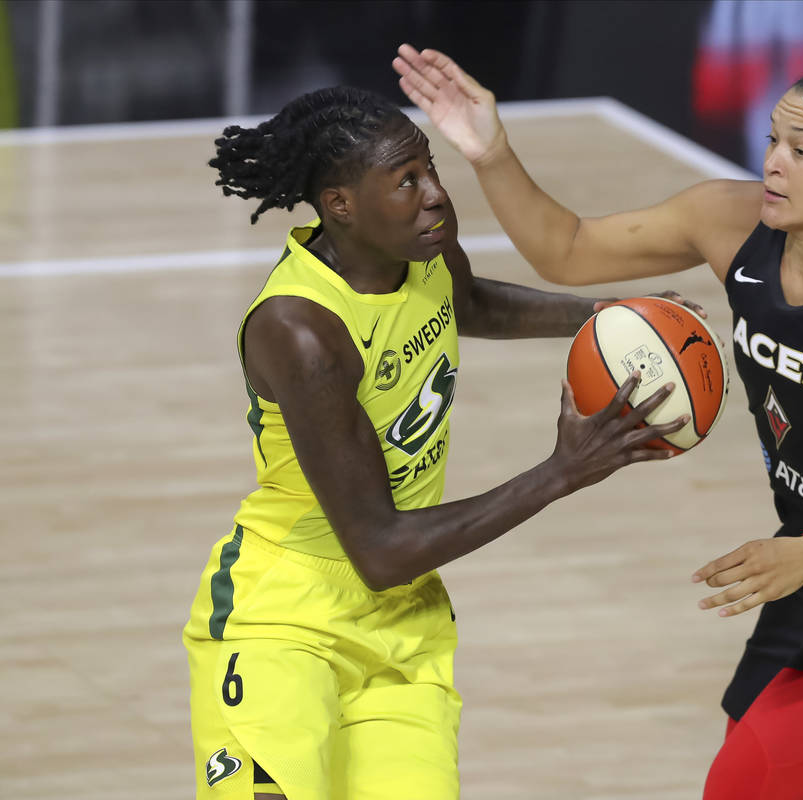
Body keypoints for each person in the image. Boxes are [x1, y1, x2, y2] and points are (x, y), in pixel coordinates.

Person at [394, 28, 803, 800]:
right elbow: (568, 249)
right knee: (758, 766)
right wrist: (490, 152)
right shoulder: (731, 220)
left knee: (745, 783)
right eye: (773, 139)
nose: (775, 162)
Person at [181, 86, 693, 800]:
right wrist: (561, 472)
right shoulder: (302, 329)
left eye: (431, 169)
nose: (436, 197)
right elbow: (381, 547)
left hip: (404, 621)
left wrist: (609, 318)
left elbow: (470, 300)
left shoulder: (420, 252)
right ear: (341, 205)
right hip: (287, 613)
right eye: (407, 180)